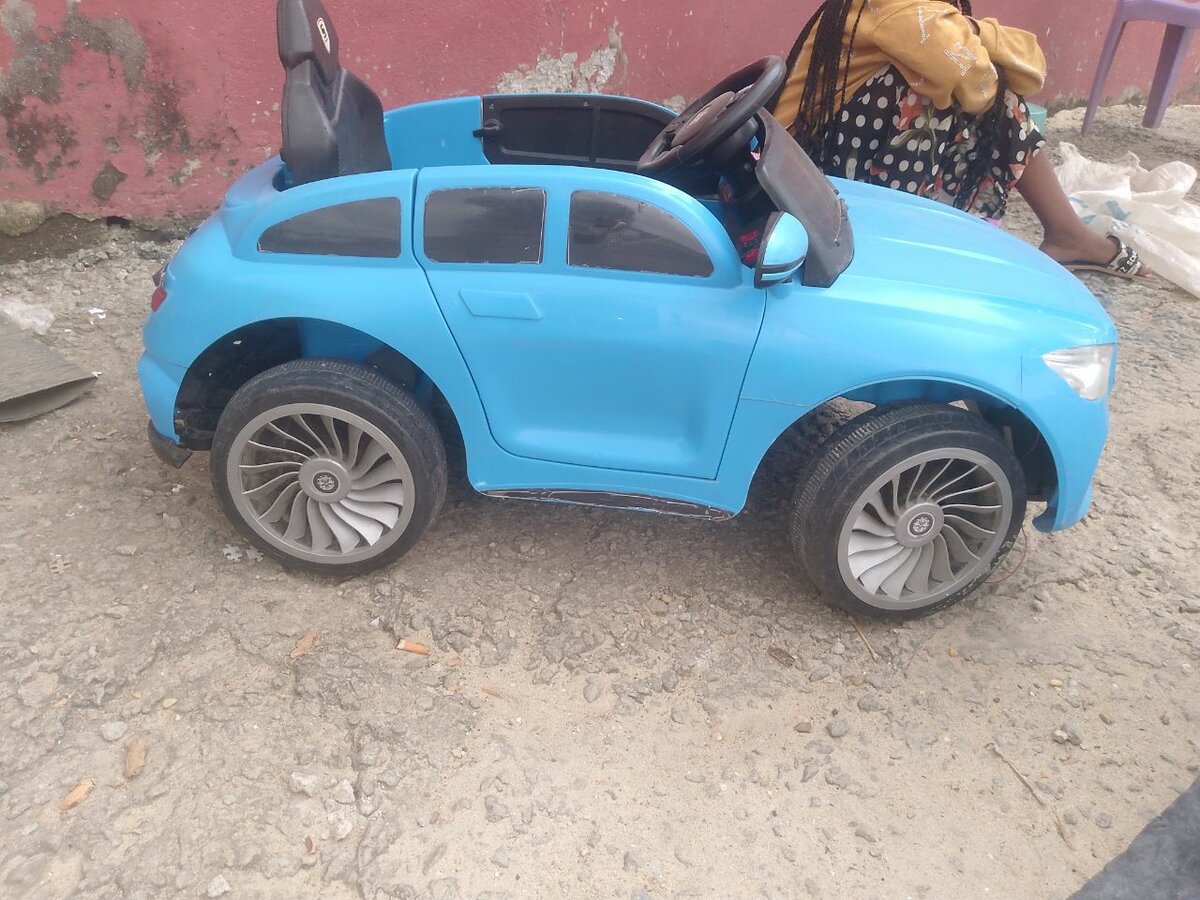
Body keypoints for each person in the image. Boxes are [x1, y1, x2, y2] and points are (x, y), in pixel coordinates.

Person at [772, 0, 1147, 278]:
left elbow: (1028, 66)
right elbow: (980, 86)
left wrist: (972, 31)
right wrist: (977, 36)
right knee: (937, 87)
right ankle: (889, 237)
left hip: (818, 161)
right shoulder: (900, 10)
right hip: (803, 171)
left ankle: (1067, 234)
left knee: (973, 82)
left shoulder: (930, 13)